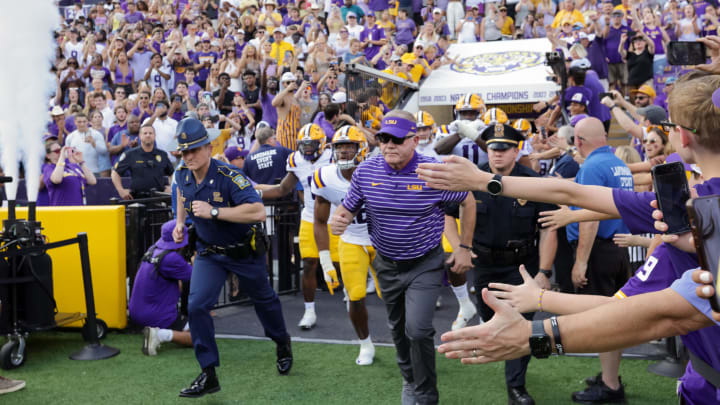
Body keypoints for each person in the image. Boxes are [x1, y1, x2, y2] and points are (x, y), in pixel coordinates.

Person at [330, 111, 475, 405]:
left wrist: (464, 247)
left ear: (415, 140)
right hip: (386, 263)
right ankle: (409, 379)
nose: (388, 145)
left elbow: (468, 200)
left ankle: (425, 394)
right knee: (397, 328)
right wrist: (340, 219)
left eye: (397, 139)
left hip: (425, 262)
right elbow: (348, 207)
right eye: (383, 138)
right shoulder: (366, 172)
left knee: (418, 329)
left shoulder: (433, 171)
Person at [173, 118, 292, 398]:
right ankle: (208, 373)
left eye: (193, 150)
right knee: (197, 305)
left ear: (207, 146)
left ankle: (281, 342)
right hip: (209, 254)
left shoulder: (228, 175)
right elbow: (181, 194)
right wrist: (180, 222)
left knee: (265, 301)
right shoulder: (182, 173)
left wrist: (214, 212)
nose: (188, 156)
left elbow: (258, 211)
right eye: (183, 151)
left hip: (242, 252)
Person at [445, 123, 557, 405]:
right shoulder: (473, 178)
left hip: (522, 267)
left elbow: (548, 229)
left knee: (521, 326)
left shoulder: (532, 182)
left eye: (504, 148)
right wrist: (460, 248)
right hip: (483, 265)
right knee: (490, 317)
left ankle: (516, 388)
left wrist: (544, 271)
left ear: (516, 150)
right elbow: (447, 214)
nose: (497, 154)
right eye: (493, 148)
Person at [312, 125, 380, 365]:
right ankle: (365, 344)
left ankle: (404, 339)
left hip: (383, 241)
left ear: (361, 148)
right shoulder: (325, 177)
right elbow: (319, 220)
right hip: (351, 241)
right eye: (339, 147)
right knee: (355, 296)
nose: (343, 152)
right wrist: (325, 260)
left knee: (394, 296)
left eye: (349, 146)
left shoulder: (378, 171)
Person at [257, 123, 335, 329]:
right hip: (310, 217)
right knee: (309, 262)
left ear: (322, 144)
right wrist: (255, 192)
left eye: (312, 144)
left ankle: (354, 301)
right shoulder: (296, 160)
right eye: (304, 144)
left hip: (337, 218)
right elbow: (283, 188)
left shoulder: (334, 157)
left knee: (342, 266)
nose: (307, 149)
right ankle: (309, 310)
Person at [129, 220, 193, 356]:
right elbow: (197, 278)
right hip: (156, 314)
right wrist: (195, 261)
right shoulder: (171, 258)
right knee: (201, 337)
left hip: (136, 312)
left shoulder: (152, 250)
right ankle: (160, 334)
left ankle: (156, 330)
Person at [111, 124, 174, 199]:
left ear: (154, 136)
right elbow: (115, 173)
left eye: (150, 133)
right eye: (145, 133)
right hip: (137, 199)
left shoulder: (162, 154)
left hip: (159, 198)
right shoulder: (130, 154)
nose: (148, 135)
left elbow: (172, 174)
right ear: (140, 136)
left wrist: (172, 187)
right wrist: (120, 190)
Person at [272, 72, 302, 150]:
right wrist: (287, 89)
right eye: (288, 82)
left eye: (293, 82)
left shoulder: (294, 97)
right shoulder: (282, 96)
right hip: (285, 135)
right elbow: (274, 103)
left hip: (296, 135)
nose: (291, 84)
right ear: (283, 84)